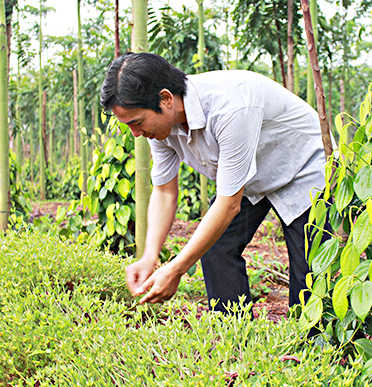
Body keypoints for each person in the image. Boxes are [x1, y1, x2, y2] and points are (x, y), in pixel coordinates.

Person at [100, 52, 332, 314]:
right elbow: (164, 191)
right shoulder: (158, 129)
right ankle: (234, 339)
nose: (136, 134)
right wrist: (150, 256)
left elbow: (229, 204)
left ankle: (313, 348)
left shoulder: (230, 106)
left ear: (165, 98)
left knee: (310, 270)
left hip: (301, 165)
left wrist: (176, 269)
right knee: (216, 247)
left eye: (137, 123)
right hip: (252, 175)